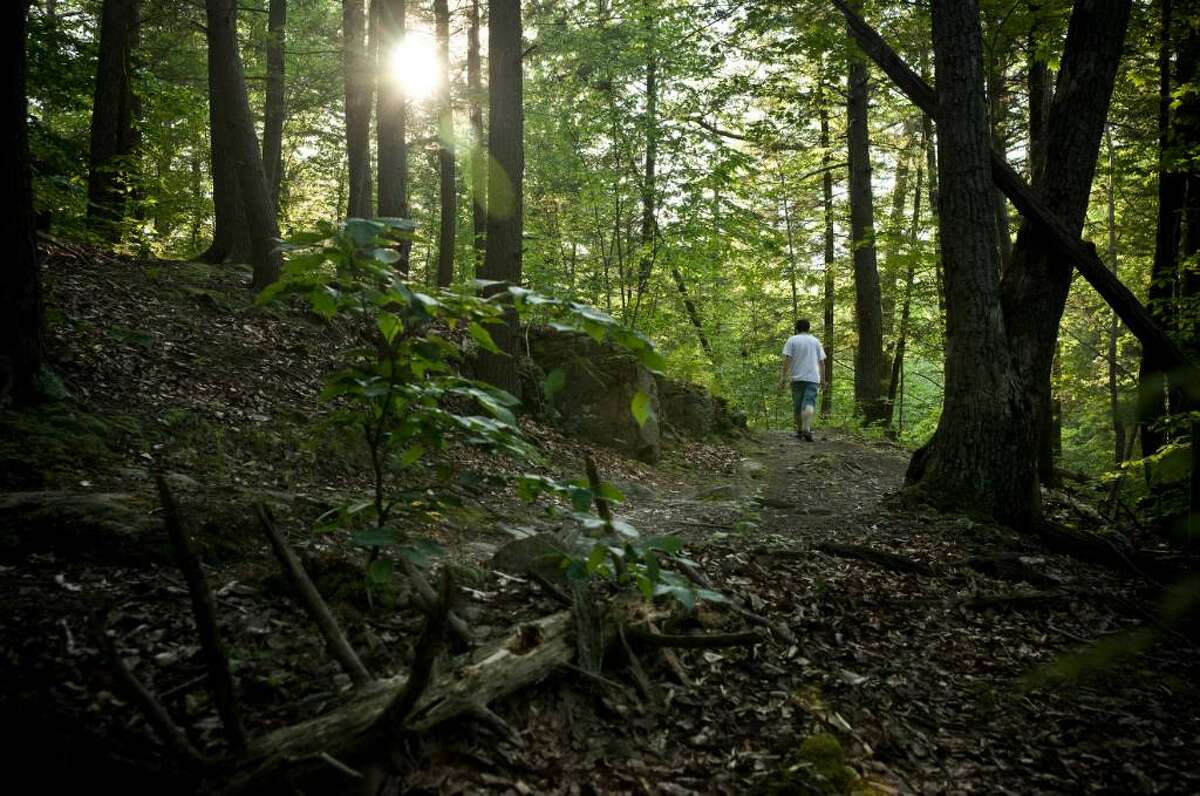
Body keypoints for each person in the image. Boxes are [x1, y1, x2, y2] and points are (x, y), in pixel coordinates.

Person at [779, 318, 826, 441]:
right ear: (809, 328)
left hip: (797, 378)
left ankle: (800, 431)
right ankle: (806, 428)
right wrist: (823, 379)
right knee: (809, 403)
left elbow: (787, 360)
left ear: (797, 328)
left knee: (798, 406)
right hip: (813, 378)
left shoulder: (792, 340)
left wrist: (783, 378)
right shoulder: (816, 341)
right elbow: (822, 362)